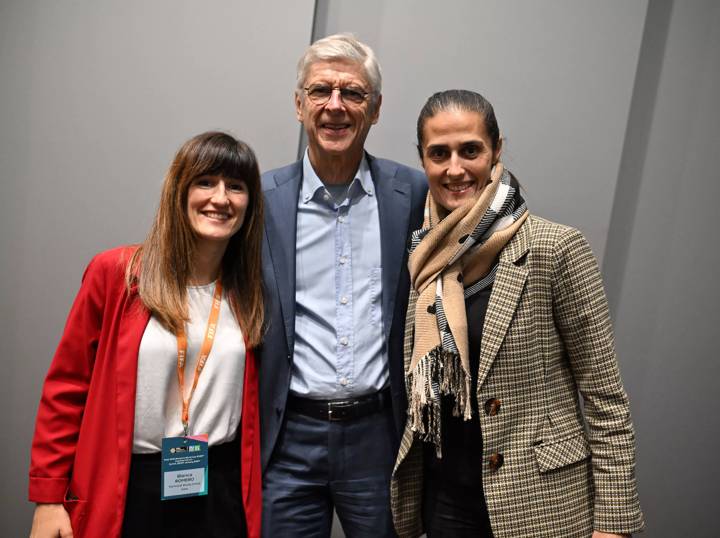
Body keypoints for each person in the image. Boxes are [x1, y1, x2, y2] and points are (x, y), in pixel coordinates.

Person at [391, 90, 644, 538]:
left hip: (540, 502)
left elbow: (605, 398)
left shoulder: (555, 248)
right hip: (446, 502)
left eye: (470, 150)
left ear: (496, 151)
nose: (455, 168)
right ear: (422, 159)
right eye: (438, 154)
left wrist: (613, 523)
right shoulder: (423, 256)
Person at [28, 131, 264, 538]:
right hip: (130, 487)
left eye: (236, 186)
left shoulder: (251, 292)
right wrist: (49, 498)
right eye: (205, 182)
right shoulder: (116, 274)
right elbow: (66, 390)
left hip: (220, 488)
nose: (221, 198)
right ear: (180, 190)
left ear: (250, 203)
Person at [259, 34, 427, 537]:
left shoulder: (412, 192)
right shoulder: (262, 199)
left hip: (379, 434)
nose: (335, 106)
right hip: (288, 435)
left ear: (374, 109)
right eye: (320, 91)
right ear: (298, 104)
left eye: (352, 93)